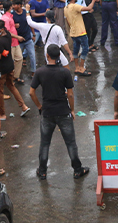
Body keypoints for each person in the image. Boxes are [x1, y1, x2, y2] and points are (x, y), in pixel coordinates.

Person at [29, 45, 89, 181]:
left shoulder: (40, 72)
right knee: (71, 143)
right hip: (63, 111)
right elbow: (70, 94)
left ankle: (42, 171)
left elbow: (31, 92)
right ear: (59, 56)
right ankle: (78, 170)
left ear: (47, 56)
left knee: (45, 143)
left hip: (47, 112)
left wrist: (39, 106)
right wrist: (72, 110)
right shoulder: (65, 72)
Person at [0, 19, 31, 118]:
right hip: (10, 65)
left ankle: (2, 114)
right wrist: (17, 37)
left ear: (1, 30)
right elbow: (11, 36)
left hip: (2, 69)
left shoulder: (0, 41)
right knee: (11, 86)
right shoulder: (7, 34)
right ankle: (23, 106)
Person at [64, 0, 98, 76]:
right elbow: (89, 8)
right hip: (80, 32)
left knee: (76, 49)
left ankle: (77, 67)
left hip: (73, 32)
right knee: (85, 49)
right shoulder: (75, 6)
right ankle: (81, 67)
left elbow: (68, 21)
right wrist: (93, 0)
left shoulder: (66, 8)